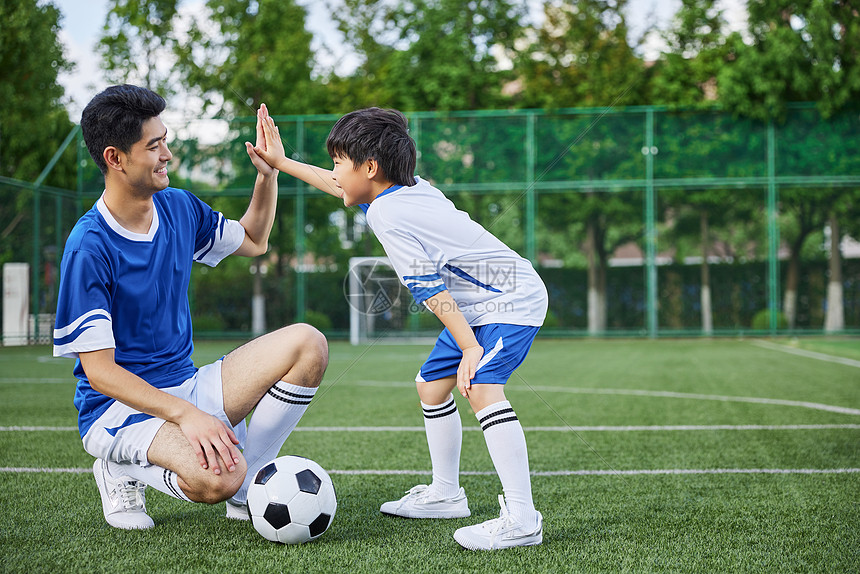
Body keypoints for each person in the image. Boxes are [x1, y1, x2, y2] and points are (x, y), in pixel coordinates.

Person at [252, 107, 548, 550]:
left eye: (339, 161)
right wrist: (281, 162)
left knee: (483, 389)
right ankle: (446, 494)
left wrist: (469, 349)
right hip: (477, 305)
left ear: (370, 168)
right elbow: (340, 185)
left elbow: (428, 289)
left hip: (511, 300)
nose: (335, 173)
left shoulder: (387, 214)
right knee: (431, 386)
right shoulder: (407, 189)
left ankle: (523, 518)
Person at [53, 84, 328, 530]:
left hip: (188, 384)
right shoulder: (89, 247)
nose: (167, 155)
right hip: (117, 410)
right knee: (216, 479)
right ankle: (117, 466)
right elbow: (99, 372)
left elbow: (255, 240)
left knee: (308, 344)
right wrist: (186, 415)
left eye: (166, 141)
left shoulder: (178, 207)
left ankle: (246, 488)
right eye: (154, 146)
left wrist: (268, 175)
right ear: (115, 158)